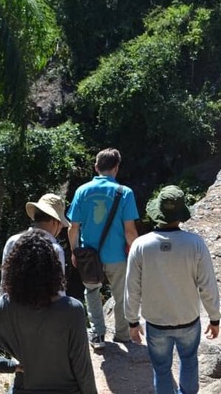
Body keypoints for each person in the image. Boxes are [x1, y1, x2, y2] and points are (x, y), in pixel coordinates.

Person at [0, 230, 98, 394]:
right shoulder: (72, 310)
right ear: (54, 267)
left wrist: (8, 366)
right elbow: (83, 369)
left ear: (14, 268)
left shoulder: (6, 306)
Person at [125, 185, 221, 394]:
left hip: (157, 322)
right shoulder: (195, 243)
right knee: (188, 362)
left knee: (161, 370)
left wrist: (132, 321)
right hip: (188, 318)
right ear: (180, 215)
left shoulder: (141, 245)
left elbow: (132, 288)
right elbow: (207, 285)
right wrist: (214, 318)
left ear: (157, 213)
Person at [67, 148, 139, 350]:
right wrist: (137, 253)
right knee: (121, 295)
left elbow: (73, 227)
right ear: (116, 168)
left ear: (96, 167)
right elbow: (130, 231)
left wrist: (75, 251)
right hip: (117, 256)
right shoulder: (125, 193)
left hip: (89, 255)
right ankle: (123, 335)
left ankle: (98, 335)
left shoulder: (82, 191)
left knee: (91, 292)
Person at [1, 193, 69, 294]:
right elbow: (59, 292)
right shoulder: (55, 249)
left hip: (15, 307)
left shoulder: (12, 241)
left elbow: (4, 285)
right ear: (55, 222)